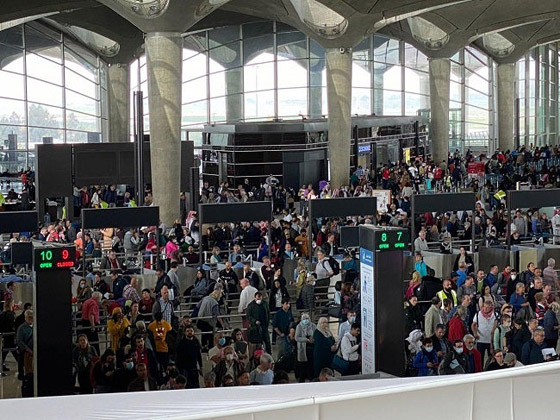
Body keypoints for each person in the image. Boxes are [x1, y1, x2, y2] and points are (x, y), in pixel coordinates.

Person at [294, 313, 316, 382]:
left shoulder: (313, 326)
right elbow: (297, 338)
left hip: (311, 347)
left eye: (307, 319)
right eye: (304, 319)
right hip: (303, 347)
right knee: (303, 365)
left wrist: (312, 339)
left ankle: (311, 378)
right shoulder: (299, 326)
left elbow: (316, 335)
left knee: (310, 364)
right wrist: (306, 340)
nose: (305, 320)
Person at [0, 298, 17, 374]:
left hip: (4, 335)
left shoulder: (2, 314)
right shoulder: (11, 314)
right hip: (10, 335)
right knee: (13, 350)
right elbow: (12, 325)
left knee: (5, 351)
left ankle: (1, 365)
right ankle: (22, 364)